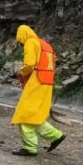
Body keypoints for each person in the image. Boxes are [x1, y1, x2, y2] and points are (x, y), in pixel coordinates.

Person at [10, 25, 66, 157]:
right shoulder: (46, 45)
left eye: (19, 38)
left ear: (22, 35)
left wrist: (20, 72)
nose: (19, 41)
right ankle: (56, 136)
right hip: (47, 83)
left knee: (24, 115)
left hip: (37, 82)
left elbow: (29, 64)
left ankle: (30, 147)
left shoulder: (30, 42)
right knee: (35, 115)